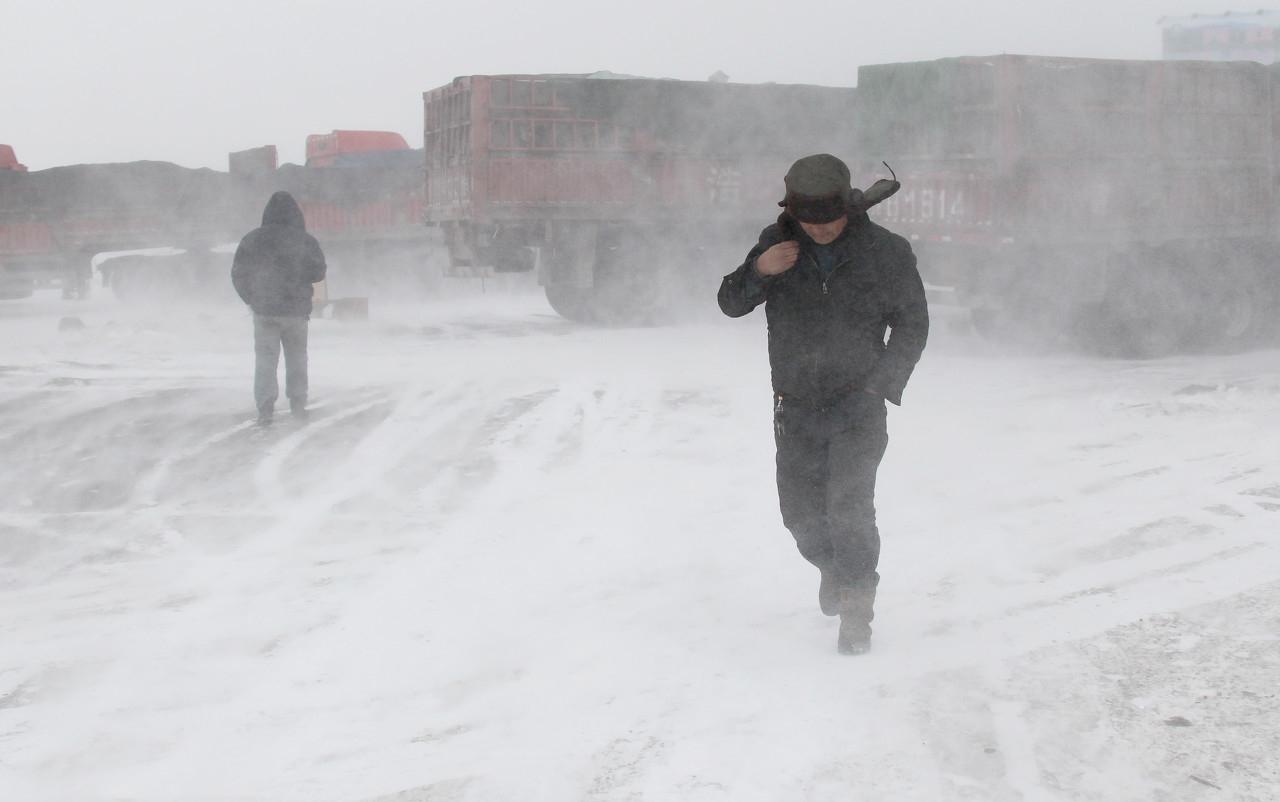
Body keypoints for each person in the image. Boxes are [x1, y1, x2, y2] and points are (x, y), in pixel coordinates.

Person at [717, 154, 928, 655]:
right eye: (810, 221)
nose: (821, 229)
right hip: (795, 406)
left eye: (830, 218)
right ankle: (831, 568)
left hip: (858, 405)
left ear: (848, 209)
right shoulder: (777, 244)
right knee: (801, 516)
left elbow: (912, 325)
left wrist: (881, 384)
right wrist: (758, 270)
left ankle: (858, 608)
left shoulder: (886, 253)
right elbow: (730, 302)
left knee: (850, 508)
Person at [231, 191, 327, 425]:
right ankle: (298, 405)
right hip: (296, 312)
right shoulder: (305, 240)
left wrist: (251, 299)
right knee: (297, 359)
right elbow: (319, 273)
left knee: (265, 360)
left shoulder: (252, 239)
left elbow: (238, 274)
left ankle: (265, 409)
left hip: (264, 311)